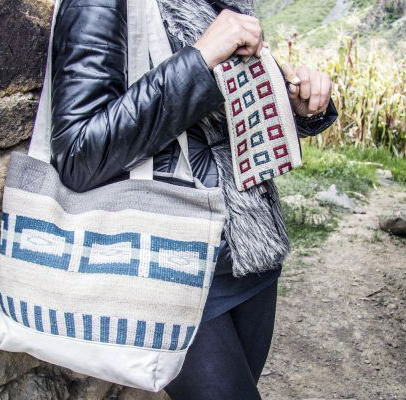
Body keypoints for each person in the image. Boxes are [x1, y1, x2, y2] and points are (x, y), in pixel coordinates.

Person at [49, 0, 338, 398]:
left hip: (250, 253)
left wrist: (298, 107)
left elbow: (224, 118)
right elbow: (79, 154)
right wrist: (200, 57)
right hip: (173, 266)